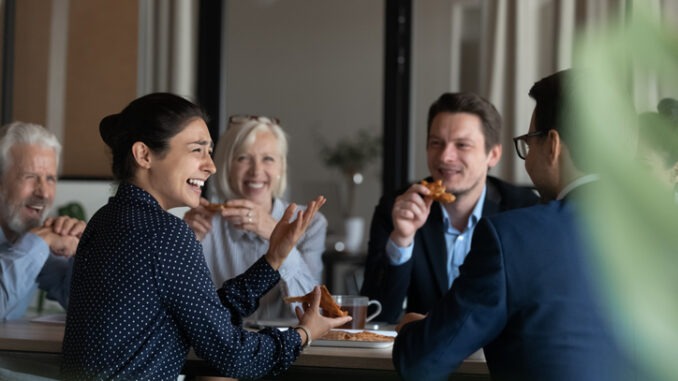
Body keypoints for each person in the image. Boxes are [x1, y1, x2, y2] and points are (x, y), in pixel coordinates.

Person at [61, 93, 351, 380]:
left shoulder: (105, 220)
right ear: (144, 155)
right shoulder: (166, 233)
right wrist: (303, 334)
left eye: (210, 151)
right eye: (197, 150)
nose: (211, 166)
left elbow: (205, 316)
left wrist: (273, 259)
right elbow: (234, 356)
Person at [393, 70, 630, 381]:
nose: (527, 157)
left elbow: (421, 363)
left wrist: (411, 328)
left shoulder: (513, 236)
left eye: (529, 142)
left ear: (552, 145)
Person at [361, 92, 539, 323]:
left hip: (495, 357)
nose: (445, 156)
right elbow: (376, 315)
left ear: (493, 155)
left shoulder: (523, 210)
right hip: (421, 354)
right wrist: (401, 240)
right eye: (436, 143)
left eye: (462, 145)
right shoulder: (398, 206)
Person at [183, 115, 326, 321]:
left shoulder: (310, 223)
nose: (256, 171)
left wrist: (275, 234)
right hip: (218, 348)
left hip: (291, 347)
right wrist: (184, 243)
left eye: (268, 159)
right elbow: (187, 309)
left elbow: (312, 311)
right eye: (243, 158)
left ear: (281, 167)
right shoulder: (201, 223)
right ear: (226, 167)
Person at [0, 121, 85, 320]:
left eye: (50, 179)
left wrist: (81, 251)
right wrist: (38, 243)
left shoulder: (28, 239)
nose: (44, 193)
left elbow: (84, 305)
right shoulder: (34, 245)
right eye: (30, 176)